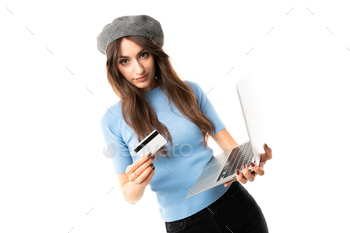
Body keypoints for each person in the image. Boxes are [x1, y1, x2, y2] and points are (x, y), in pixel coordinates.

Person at [97, 15, 272, 233]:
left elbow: (230, 147)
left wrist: (251, 162)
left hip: (236, 204)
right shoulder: (112, 120)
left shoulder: (190, 91)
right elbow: (129, 195)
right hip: (186, 225)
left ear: (155, 54)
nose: (139, 69)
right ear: (115, 67)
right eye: (125, 61)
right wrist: (137, 183)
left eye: (143, 55)